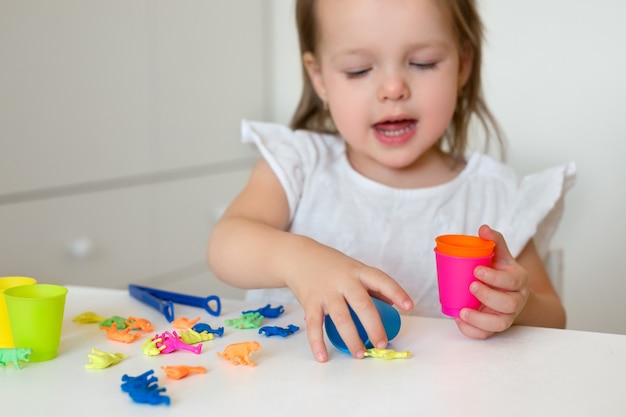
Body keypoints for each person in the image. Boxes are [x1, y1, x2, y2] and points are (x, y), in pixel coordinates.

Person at [207, 0, 575, 363]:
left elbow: (554, 318)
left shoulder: (494, 193)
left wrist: (518, 305)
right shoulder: (298, 164)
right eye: (358, 69)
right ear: (319, 76)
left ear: (463, 65)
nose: (393, 88)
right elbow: (226, 244)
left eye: (423, 63)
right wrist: (298, 259)